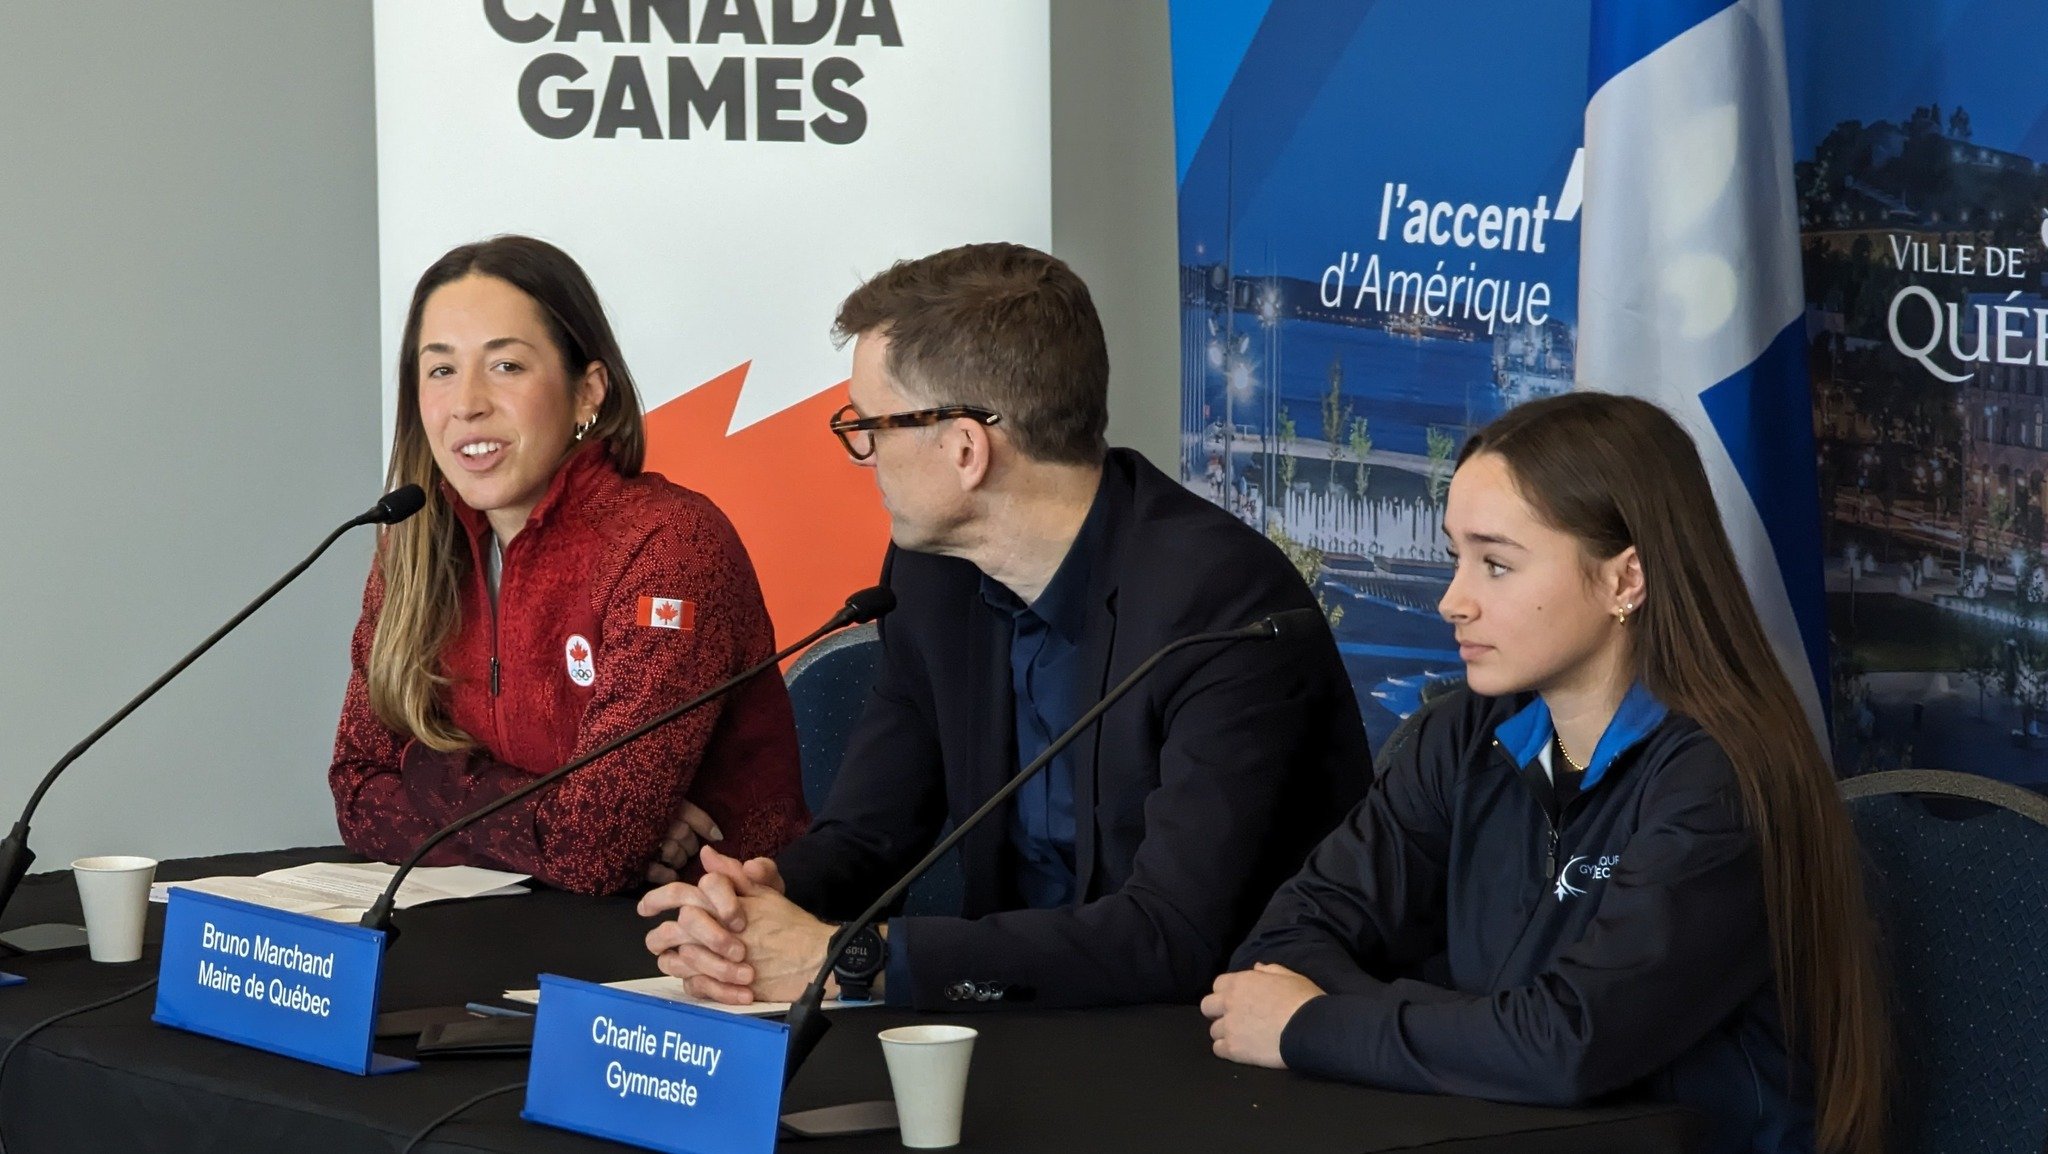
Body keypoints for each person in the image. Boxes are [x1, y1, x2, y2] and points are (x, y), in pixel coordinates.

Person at [639, 242, 1371, 1009]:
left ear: (965, 448)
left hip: (1205, 1043)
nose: (864, 457)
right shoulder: (930, 579)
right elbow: (868, 837)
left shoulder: (1223, 609)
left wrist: (847, 956)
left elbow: (1171, 936)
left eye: (870, 428)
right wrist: (759, 900)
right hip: (1013, 1022)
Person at [1202, 392, 1887, 1154]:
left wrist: (1313, 1022)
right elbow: (1285, 942)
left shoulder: (1721, 780)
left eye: (1495, 564)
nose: (1452, 600)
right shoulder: (1464, 734)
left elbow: (1568, 1047)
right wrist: (1482, 1034)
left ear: (1624, 581)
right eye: (1456, 555)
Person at [329, 235, 808, 895]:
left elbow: (596, 847)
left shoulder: (665, 544)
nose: (466, 402)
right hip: (496, 922)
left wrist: (424, 772)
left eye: (506, 367)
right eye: (440, 369)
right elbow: (357, 796)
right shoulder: (413, 545)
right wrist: (552, 817)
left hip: (689, 941)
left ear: (588, 393)